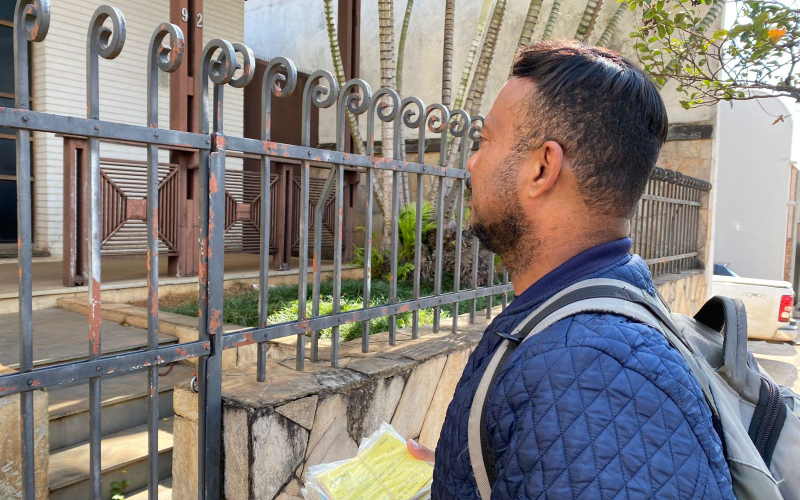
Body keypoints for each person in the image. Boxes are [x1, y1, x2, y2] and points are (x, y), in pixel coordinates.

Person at [407, 40, 734, 499]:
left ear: (542, 168)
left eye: (485, 141)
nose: (472, 162)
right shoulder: (583, 332)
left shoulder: (593, 369)